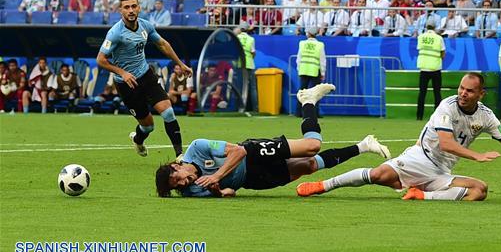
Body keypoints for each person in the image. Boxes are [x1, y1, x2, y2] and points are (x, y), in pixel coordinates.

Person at [297, 73, 501, 201]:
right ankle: (323, 185)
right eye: (462, 88)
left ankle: (422, 196)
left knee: (479, 190)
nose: (463, 93)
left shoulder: (486, 116)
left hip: (442, 171)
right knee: (377, 176)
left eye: (470, 91)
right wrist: (477, 155)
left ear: (480, 94)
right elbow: (446, 143)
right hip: (421, 157)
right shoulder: (447, 106)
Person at [155, 84, 391, 197]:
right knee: (308, 166)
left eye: (178, 179)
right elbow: (230, 193)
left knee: (312, 147)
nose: (183, 184)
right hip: (253, 180)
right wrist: (219, 190)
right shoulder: (191, 192)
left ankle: (308, 101)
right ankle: (364, 145)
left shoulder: (196, 148)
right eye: (178, 187)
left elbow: (238, 152)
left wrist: (216, 175)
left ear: (176, 166)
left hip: (252, 152)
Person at [96, 0, 193, 157]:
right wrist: (122, 73)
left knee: (168, 112)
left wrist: (180, 64)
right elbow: (100, 60)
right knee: (148, 126)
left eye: (134, 6)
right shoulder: (115, 33)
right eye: (127, 7)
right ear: (121, 10)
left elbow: (162, 43)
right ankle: (138, 140)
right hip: (127, 84)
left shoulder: (146, 26)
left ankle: (180, 156)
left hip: (146, 75)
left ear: (139, 8)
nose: (131, 10)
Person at [415, 23, 445, 121]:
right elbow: (443, 53)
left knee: (422, 93)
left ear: (426, 28)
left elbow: (419, 49)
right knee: (437, 93)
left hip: (423, 68)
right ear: (435, 28)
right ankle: (437, 117)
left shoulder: (421, 37)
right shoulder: (438, 38)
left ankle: (419, 116)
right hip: (435, 68)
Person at [234, 22, 257, 112]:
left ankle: (239, 108)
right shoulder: (251, 39)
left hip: (240, 64)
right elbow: (253, 52)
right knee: (252, 87)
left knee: (240, 87)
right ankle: (255, 109)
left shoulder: (237, 38)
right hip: (249, 64)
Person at [297, 30, 326, 96]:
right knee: (315, 93)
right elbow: (322, 60)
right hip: (315, 71)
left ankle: (300, 106)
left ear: (308, 34)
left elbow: (299, 58)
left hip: (303, 70)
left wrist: (299, 69)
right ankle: (313, 106)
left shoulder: (302, 43)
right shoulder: (320, 44)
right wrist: (323, 73)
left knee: (302, 93)